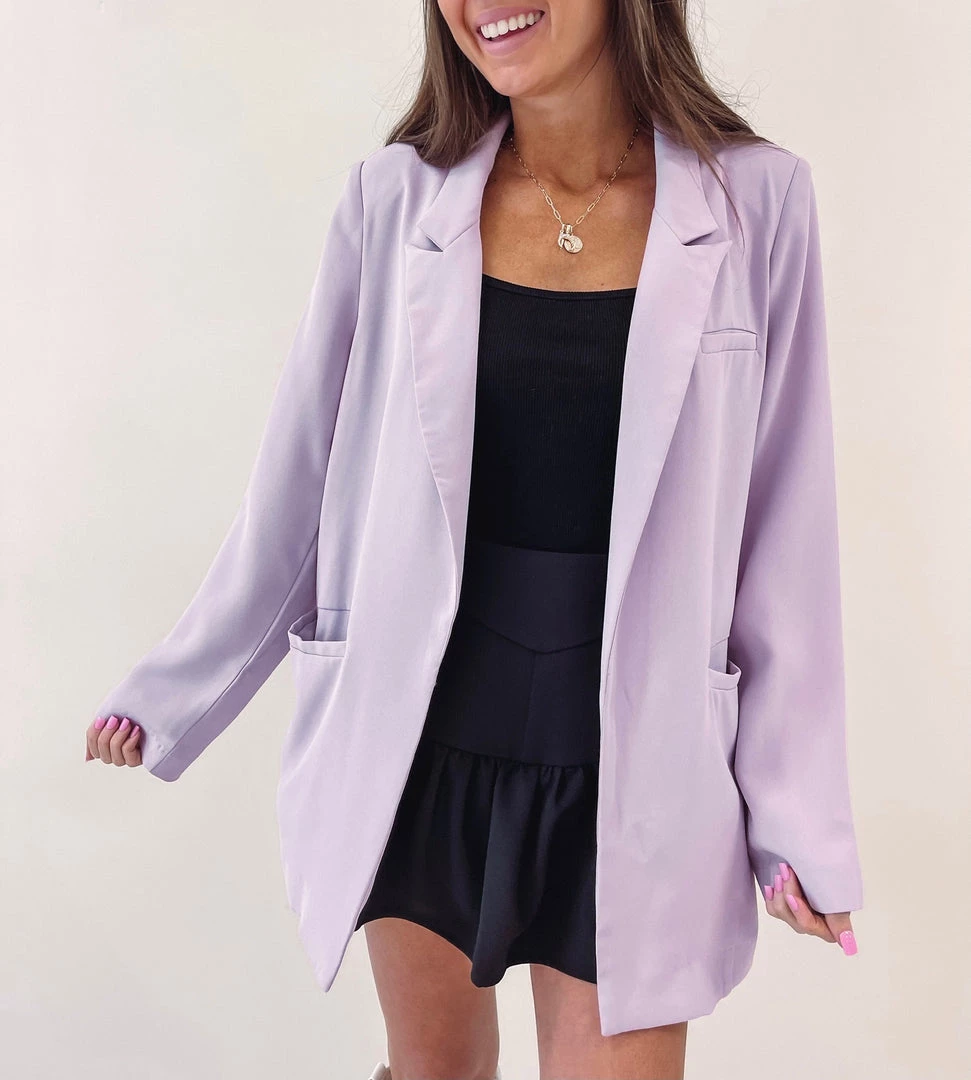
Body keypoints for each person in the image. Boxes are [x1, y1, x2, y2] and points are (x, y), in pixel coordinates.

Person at [87, 3, 865, 1077]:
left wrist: (796, 820)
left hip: (636, 759)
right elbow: (300, 484)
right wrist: (174, 691)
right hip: (418, 738)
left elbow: (785, 528)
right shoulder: (394, 199)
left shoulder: (754, 200)